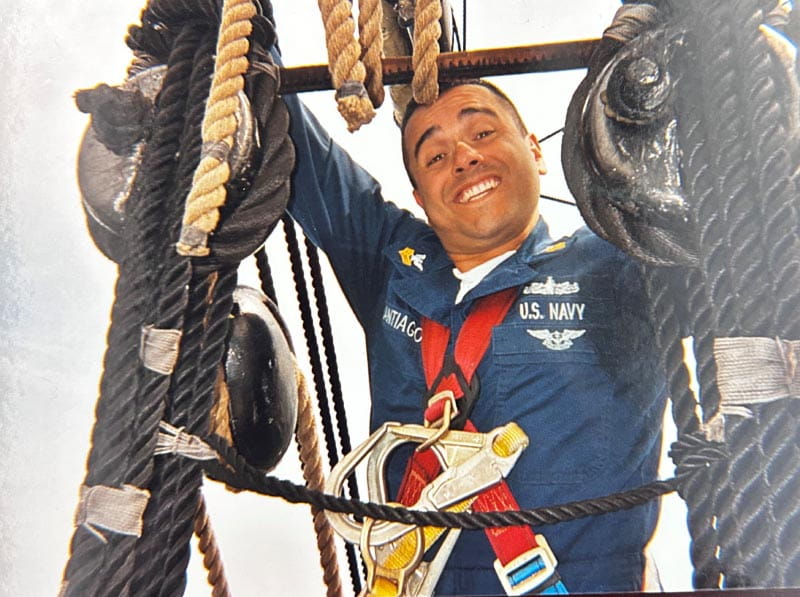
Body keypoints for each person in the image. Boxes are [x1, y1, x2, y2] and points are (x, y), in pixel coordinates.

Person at [281, 80, 666, 595]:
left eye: (483, 132)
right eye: (435, 156)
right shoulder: (393, 266)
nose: (463, 156)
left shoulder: (619, 266)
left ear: (534, 150)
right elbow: (293, 139)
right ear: (420, 197)